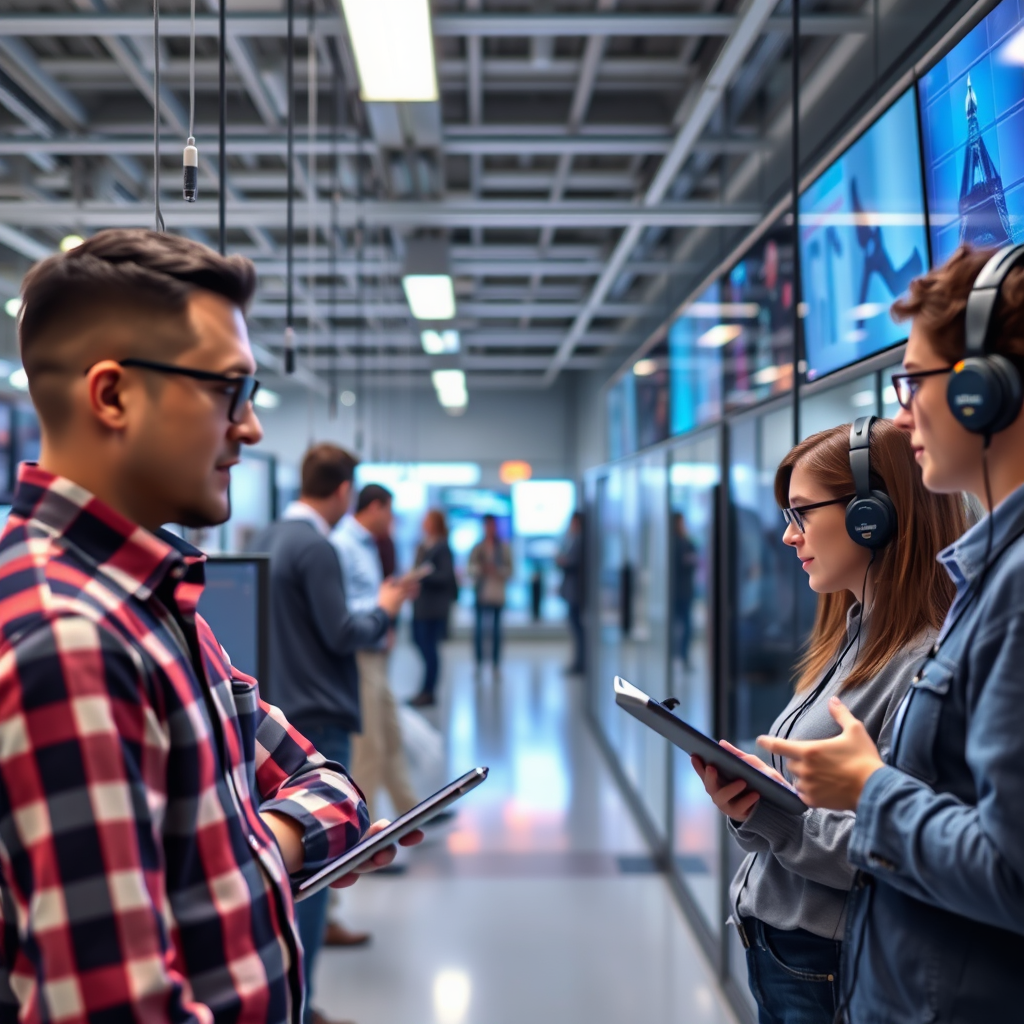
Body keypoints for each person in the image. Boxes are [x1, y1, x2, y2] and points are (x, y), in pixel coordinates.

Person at [0, 229, 421, 1024]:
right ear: (113, 395)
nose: (253, 428)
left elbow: (331, 785)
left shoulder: (150, 600)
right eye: (230, 390)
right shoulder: (72, 641)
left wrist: (211, 857)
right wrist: (263, 846)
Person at [758, 246, 1024, 1023]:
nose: (903, 413)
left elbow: (1010, 869)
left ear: (984, 392)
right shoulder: (987, 581)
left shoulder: (1011, 590)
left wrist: (869, 789)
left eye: (915, 382)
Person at [692, 417, 965, 1024]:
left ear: (873, 516)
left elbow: (895, 851)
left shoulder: (922, 664)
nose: (789, 537)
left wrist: (775, 819)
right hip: (787, 954)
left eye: (801, 514)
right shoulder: (855, 636)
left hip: (829, 966)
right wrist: (752, 799)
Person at [252, 445, 415, 1021]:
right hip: (317, 711)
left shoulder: (268, 536)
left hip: (278, 708)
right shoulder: (315, 546)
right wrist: (387, 607)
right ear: (344, 490)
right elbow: (342, 631)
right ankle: (304, 1002)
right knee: (316, 858)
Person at [334, 484, 418, 822]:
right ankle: (363, 833)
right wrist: (382, 605)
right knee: (370, 745)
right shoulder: (342, 545)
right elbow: (339, 608)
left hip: (376, 650)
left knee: (390, 734)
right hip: (360, 654)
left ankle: (411, 811)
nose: (391, 519)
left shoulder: (367, 544)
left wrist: (390, 601)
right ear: (373, 507)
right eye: (388, 510)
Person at [410, 509, 458, 707]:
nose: (424, 522)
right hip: (421, 604)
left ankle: (429, 691)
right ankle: (425, 689)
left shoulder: (442, 547)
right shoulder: (423, 545)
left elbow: (446, 576)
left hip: (434, 607)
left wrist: (423, 575)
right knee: (420, 642)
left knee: (430, 648)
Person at [468, 514, 512, 674]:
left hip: (497, 593)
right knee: (479, 631)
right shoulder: (478, 547)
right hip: (481, 592)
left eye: (492, 525)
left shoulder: (503, 547)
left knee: (496, 631)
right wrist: (481, 569)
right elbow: (470, 568)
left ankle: (495, 664)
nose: (490, 528)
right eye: (487, 525)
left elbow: (510, 570)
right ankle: (479, 663)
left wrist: (498, 570)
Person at [557, 511, 585, 674]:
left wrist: (562, 561)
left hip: (576, 592)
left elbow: (572, 562)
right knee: (575, 628)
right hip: (572, 592)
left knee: (578, 628)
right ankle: (578, 661)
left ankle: (580, 663)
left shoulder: (579, 541)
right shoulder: (572, 540)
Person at [670, 511, 698, 668]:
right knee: (674, 626)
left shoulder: (687, 542)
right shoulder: (672, 542)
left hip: (685, 591)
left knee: (686, 626)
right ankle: (675, 654)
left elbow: (693, 560)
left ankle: (684, 656)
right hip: (674, 591)